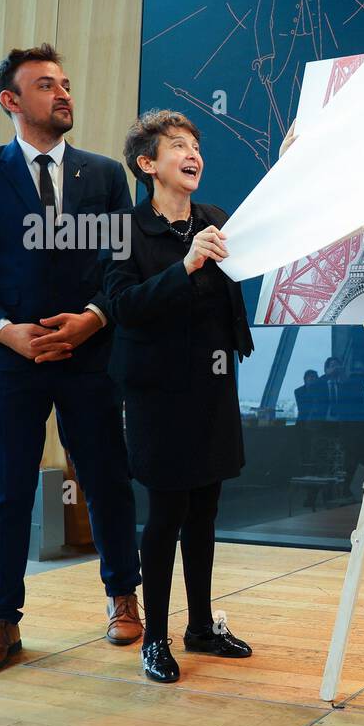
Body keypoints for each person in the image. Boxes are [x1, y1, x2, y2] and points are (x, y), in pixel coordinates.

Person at [0, 44, 143, 674]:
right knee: (7, 489)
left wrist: (93, 319)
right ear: (11, 100)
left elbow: (121, 264)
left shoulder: (107, 175)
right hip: (9, 361)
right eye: (46, 85)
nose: (63, 94)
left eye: (66, 84)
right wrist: (4, 330)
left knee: (107, 479)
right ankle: (0, 623)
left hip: (89, 355)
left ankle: (123, 598)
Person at [105, 109, 270, 683]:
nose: (193, 153)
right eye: (178, 145)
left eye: (195, 144)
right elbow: (124, 306)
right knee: (166, 515)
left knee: (205, 513)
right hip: (158, 392)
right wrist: (189, 261)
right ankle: (156, 637)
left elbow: (269, 227)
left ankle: (200, 625)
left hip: (212, 385)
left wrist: (294, 158)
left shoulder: (215, 218)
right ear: (148, 164)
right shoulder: (124, 229)